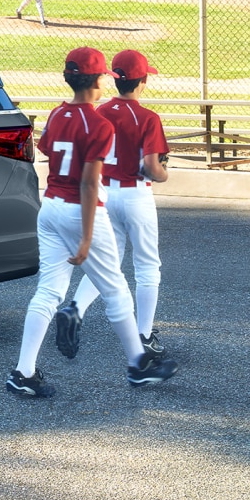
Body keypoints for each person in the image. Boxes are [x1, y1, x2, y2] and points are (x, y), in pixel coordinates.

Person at [8, 47, 176, 398]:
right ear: (98, 79)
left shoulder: (56, 115)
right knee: (115, 288)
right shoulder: (97, 123)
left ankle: (23, 372)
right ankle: (138, 365)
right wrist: (86, 237)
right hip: (78, 209)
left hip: (50, 206)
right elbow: (87, 182)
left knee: (49, 290)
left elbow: (50, 150)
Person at [52, 48, 171, 362]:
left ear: (115, 79)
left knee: (110, 261)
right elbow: (151, 167)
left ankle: (75, 308)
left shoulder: (99, 112)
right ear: (142, 82)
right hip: (135, 195)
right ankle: (144, 335)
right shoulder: (147, 117)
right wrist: (163, 173)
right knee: (147, 267)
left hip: (105, 193)